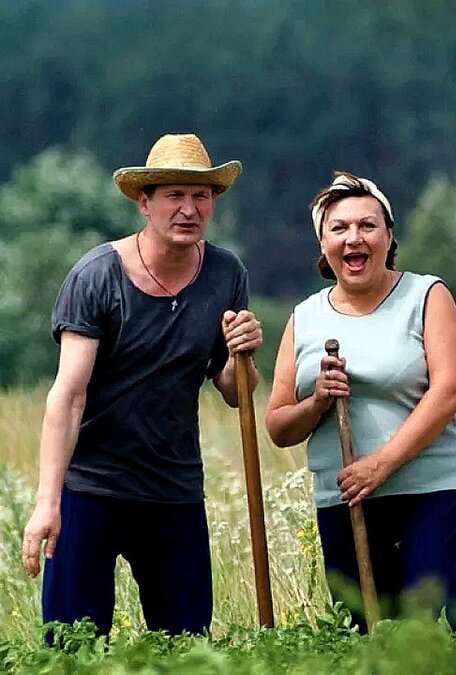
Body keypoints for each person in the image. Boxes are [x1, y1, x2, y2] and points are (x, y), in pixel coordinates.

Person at [20, 133, 262, 638]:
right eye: (174, 195)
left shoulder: (225, 273)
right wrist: (48, 502)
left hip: (174, 489)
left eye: (201, 196)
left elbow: (233, 389)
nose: (189, 209)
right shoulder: (97, 276)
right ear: (144, 202)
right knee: (73, 646)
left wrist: (245, 354)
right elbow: (68, 395)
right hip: (92, 486)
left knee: (187, 646)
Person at [265, 172, 456, 632]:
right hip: (344, 499)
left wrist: (380, 465)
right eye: (338, 228)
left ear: (388, 235)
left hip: (432, 492)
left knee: (430, 634)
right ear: (322, 245)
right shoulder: (305, 317)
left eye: (367, 225)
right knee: (361, 636)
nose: (353, 238)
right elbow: (278, 425)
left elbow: (449, 392)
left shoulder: (426, 296)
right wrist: (318, 401)